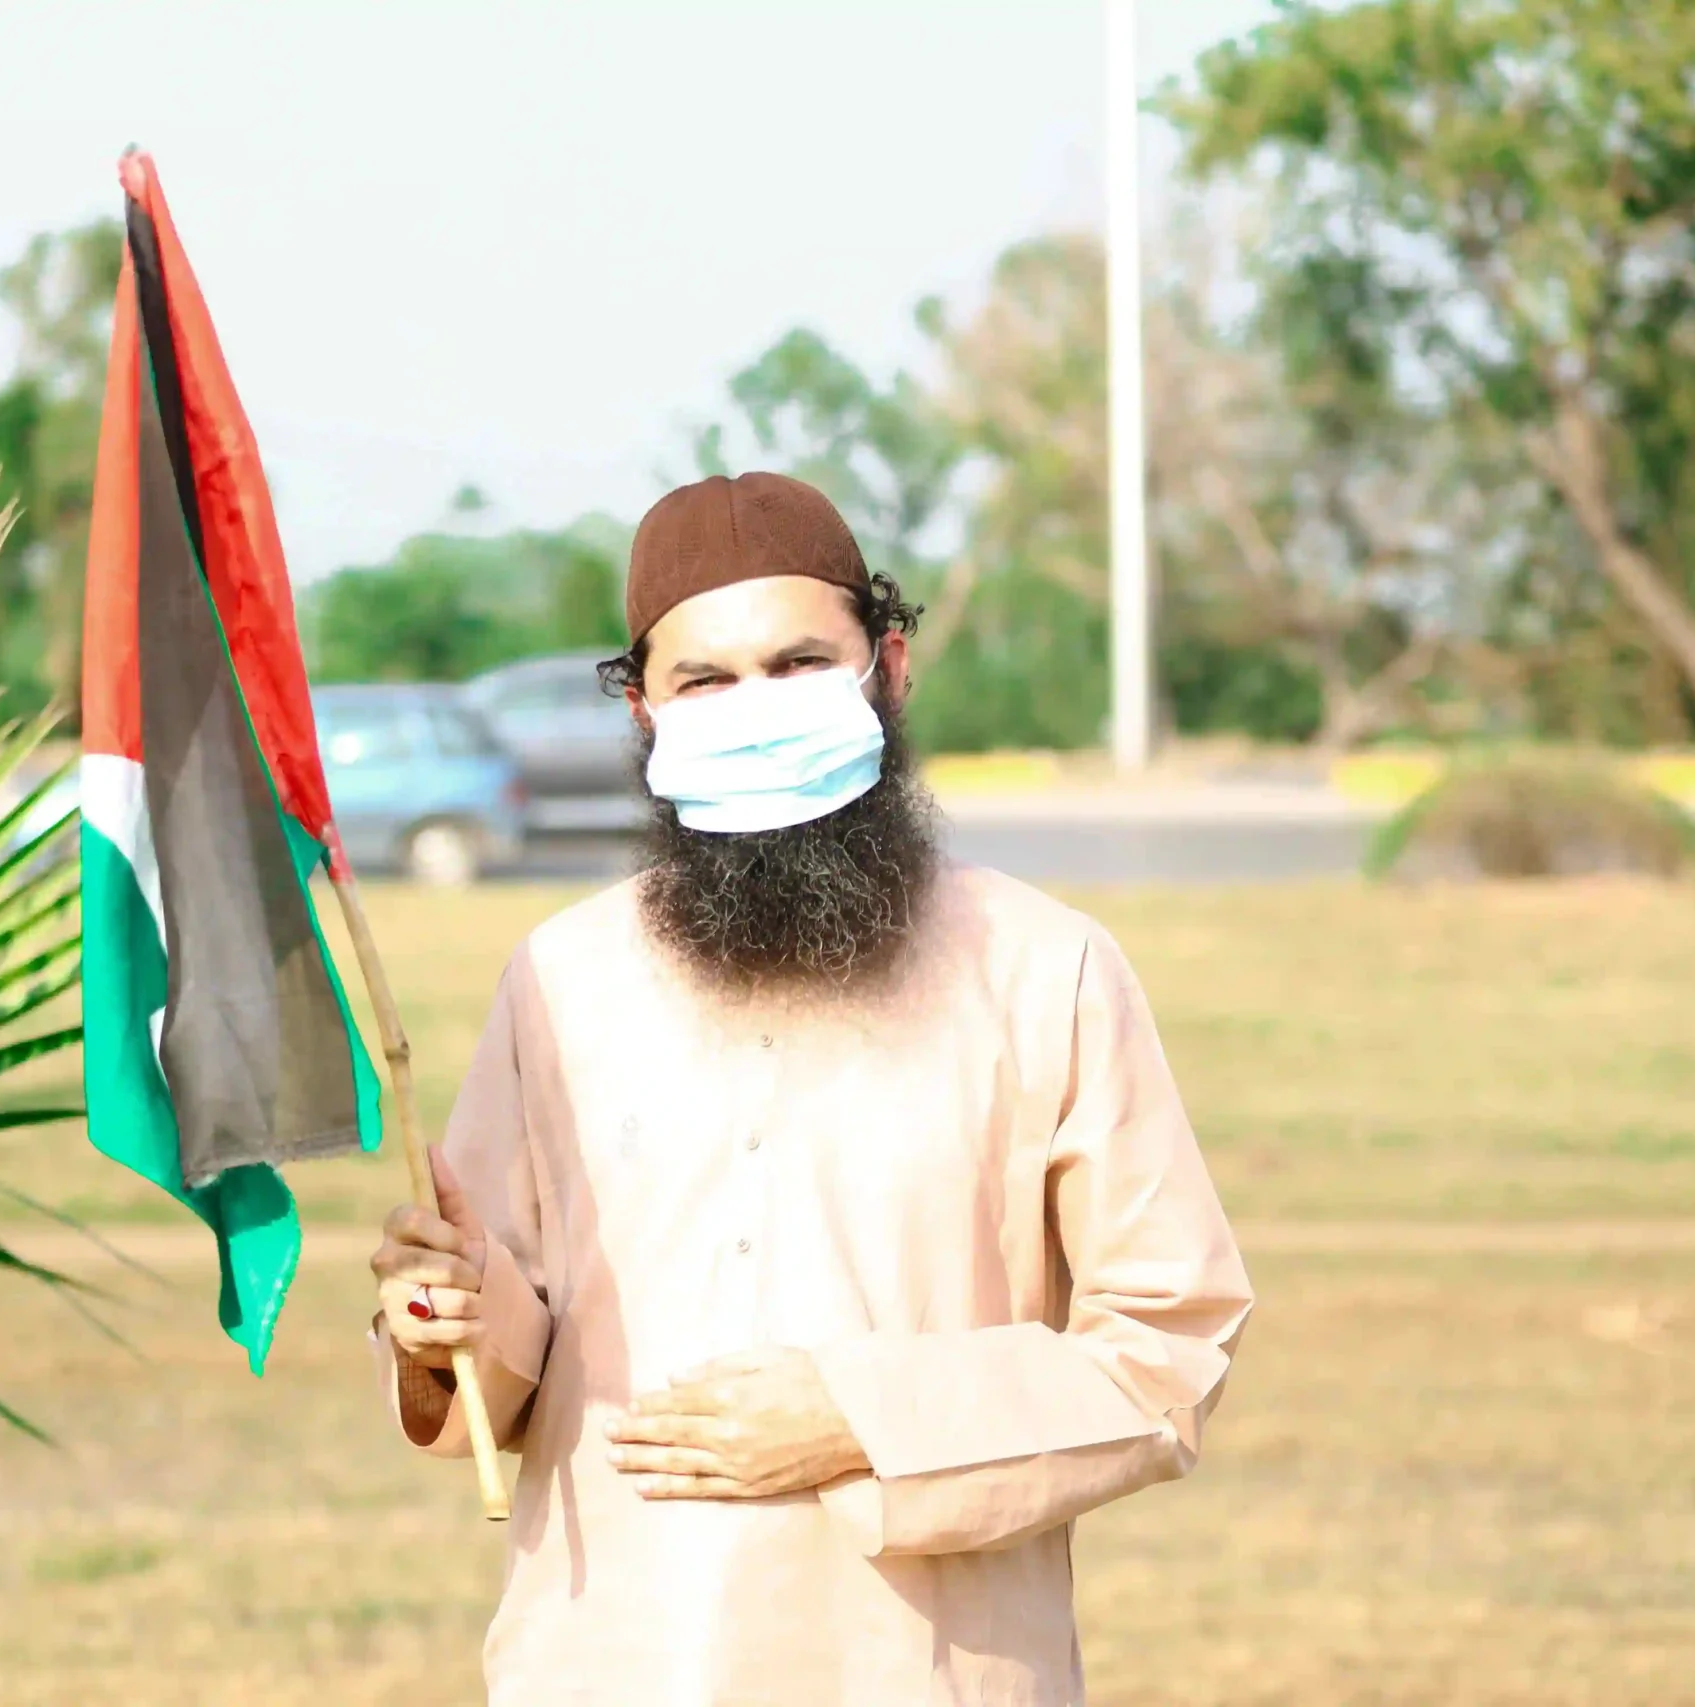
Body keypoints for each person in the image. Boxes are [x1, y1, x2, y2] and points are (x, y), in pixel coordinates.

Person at [369, 471, 1253, 1706]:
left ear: (888, 669)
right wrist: (446, 1323)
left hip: (923, 1665)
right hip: (613, 1656)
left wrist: (862, 1419)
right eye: (705, 682)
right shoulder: (562, 978)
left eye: (798, 664)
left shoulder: (1045, 967)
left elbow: (1168, 1347)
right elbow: (508, 1362)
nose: (756, 708)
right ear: (642, 711)